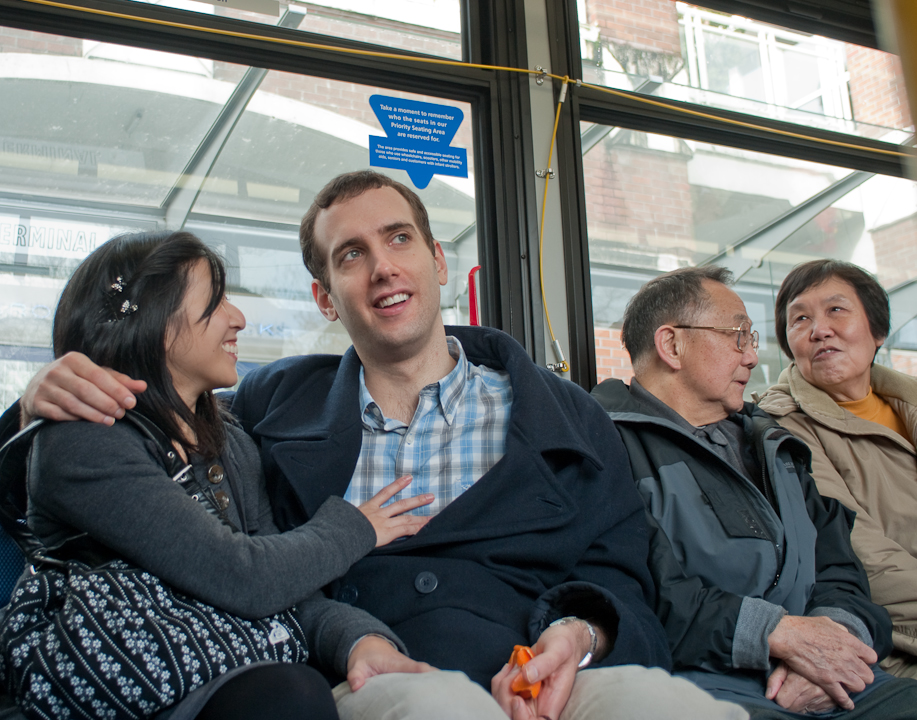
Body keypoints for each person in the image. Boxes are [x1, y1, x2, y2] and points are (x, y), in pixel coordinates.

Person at [11, 171, 748, 720]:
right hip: (381, 672)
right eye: (351, 254)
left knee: (671, 709)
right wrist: (36, 400)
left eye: (399, 239)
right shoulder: (265, 407)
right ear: (326, 298)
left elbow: (622, 573)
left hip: (550, 667)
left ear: (434, 258)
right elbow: (144, 427)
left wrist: (576, 635)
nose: (384, 267)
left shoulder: (564, 415)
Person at [2, 230, 435, 720]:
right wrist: (358, 526)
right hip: (134, 693)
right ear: (155, 323)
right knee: (288, 697)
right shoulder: (84, 442)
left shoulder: (228, 439)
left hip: (232, 678)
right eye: (217, 301)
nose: (238, 318)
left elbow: (285, 590)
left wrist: (358, 640)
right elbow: (245, 576)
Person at [591, 265, 917, 718]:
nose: (750, 357)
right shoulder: (602, 446)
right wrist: (777, 634)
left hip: (837, 679)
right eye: (738, 336)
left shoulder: (775, 444)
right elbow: (638, 595)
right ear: (672, 345)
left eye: (753, 340)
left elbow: (842, 568)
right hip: (709, 681)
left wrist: (830, 646)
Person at [758, 260, 917, 680]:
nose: (819, 329)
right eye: (800, 318)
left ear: (877, 331)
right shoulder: (780, 428)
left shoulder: (909, 401)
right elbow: (865, 557)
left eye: (836, 310)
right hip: (891, 642)